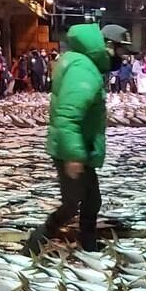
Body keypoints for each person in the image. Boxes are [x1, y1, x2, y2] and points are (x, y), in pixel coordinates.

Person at [25, 23, 129, 254]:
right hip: (70, 149)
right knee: (72, 204)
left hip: (80, 148)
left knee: (92, 201)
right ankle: (34, 244)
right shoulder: (83, 70)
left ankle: (88, 243)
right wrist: (73, 155)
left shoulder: (85, 65)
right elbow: (68, 115)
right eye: (121, 51)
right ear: (109, 47)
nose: (123, 58)